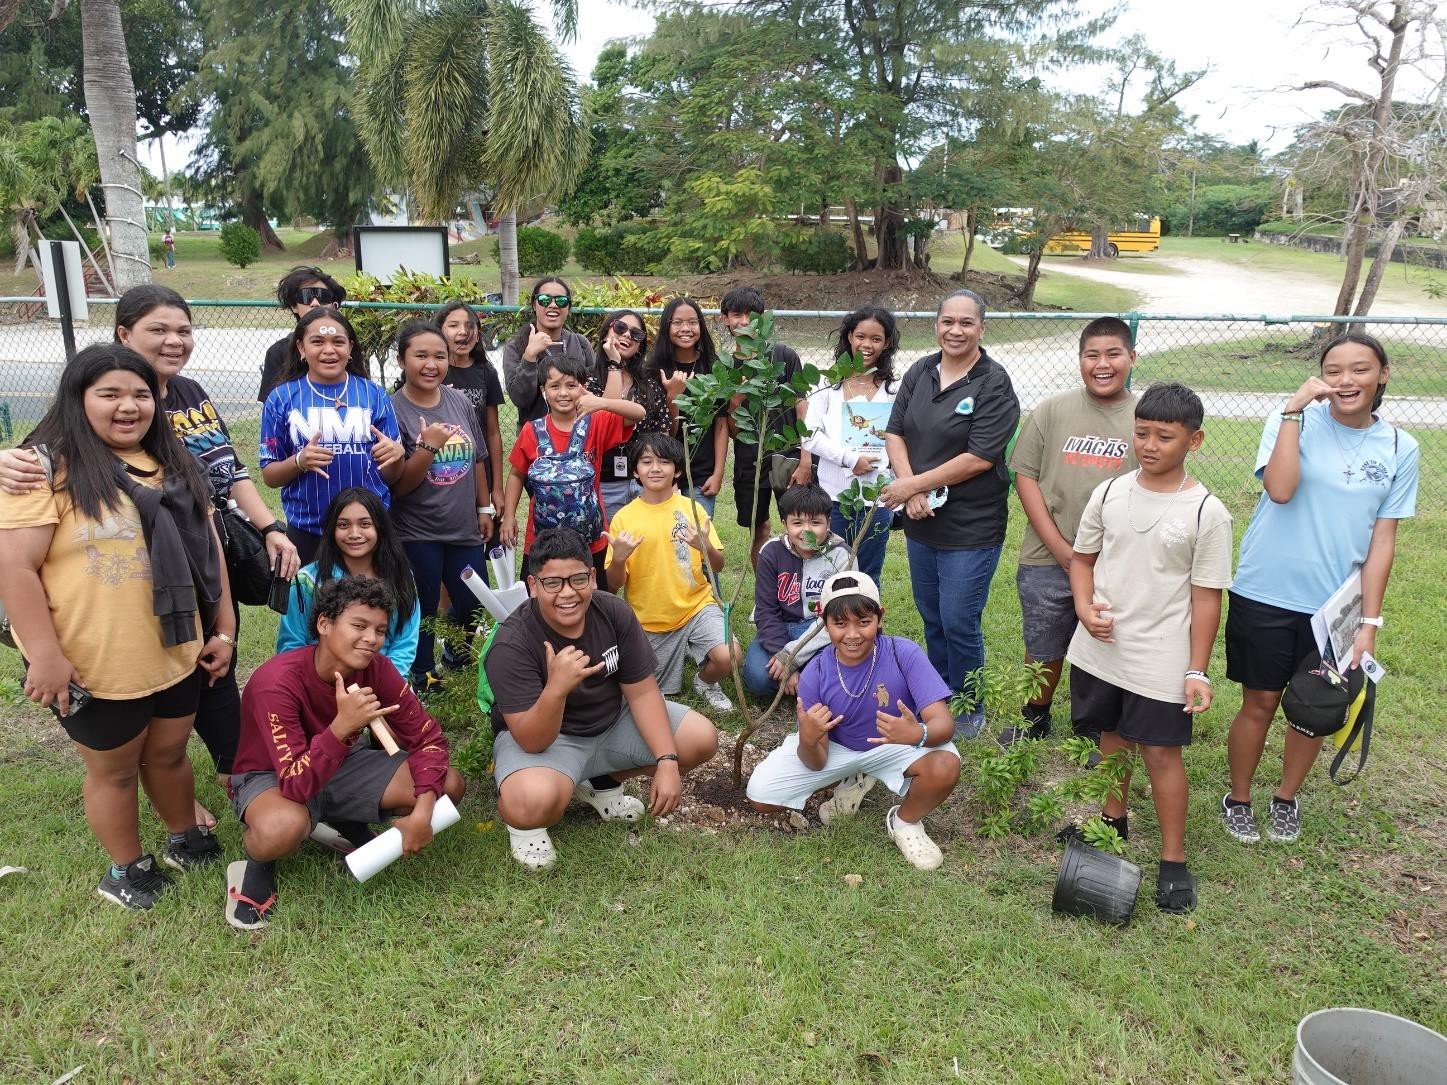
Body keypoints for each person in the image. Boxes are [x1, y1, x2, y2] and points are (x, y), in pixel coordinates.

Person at [0, 285, 301, 830]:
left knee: (182, 726)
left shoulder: (184, 412)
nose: (173, 341)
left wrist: (268, 532)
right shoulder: (58, 451)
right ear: (123, 335)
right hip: (106, 632)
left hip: (189, 606)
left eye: (183, 329)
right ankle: (151, 828)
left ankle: (192, 801)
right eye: (158, 329)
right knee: (123, 745)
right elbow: (20, 542)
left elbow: (225, 487)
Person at [0, 344, 233, 910]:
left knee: (172, 753)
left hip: (176, 648)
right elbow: (15, 567)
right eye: (109, 394)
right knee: (116, 772)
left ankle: (183, 834)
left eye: (140, 394)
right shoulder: (45, 471)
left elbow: (211, 550)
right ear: (78, 401)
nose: (128, 406)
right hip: (97, 662)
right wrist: (46, 658)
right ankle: (125, 869)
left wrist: (223, 626)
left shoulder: (176, 463)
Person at [1222, 333, 1418, 845]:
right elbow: (1281, 490)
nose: (1346, 380)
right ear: (1321, 377)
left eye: (1359, 369)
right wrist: (1292, 412)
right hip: (1266, 590)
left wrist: (1368, 624)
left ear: (1383, 375)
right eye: (1334, 370)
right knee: (1259, 702)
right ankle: (1238, 797)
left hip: (1335, 608)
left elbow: (1383, 542)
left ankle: (1285, 797)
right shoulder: (1293, 421)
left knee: (1314, 707)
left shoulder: (1400, 446)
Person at [1066, 382, 1233, 914]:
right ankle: (1113, 820)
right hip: (1103, 646)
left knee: (1162, 753)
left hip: (1161, 656)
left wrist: (1197, 670)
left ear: (1195, 440)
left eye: (1165, 436)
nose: (1150, 445)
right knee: (1111, 738)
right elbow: (1082, 559)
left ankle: (1173, 859)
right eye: (1142, 433)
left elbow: (1207, 600)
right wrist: (1083, 607)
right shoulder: (1110, 493)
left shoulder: (1208, 512)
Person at [226, 575, 466, 930]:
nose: (371, 639)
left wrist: (423, 811)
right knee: (282, 827)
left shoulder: (376, 670)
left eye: (380, 630)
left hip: (341, 763)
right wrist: (341, 727)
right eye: (359, 625)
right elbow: (295, 783)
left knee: (448, 783)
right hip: (273, 776)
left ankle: (341, 818)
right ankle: (257, 864)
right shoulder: (274, 684)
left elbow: (428, 738)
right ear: (324, 623)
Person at [482, 529, 720, 869]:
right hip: (544, 740)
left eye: (578, 579)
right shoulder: (511, 643)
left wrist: (667, 761)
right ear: (533, 586)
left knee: (699, 738)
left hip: (611, 722)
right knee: (531, 803)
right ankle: (525, 828)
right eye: (553, 583)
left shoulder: (613, 612)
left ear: (593, 578)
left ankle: (601, 782)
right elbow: (532, 739)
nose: (567, 593)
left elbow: (642, 691)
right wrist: (556, 689)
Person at [745, 572, 960, 869]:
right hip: (838, 747)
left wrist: (917, 733)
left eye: (863, 622)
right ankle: (854, 777)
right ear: (824, 623)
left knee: (945, 765)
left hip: (894, 743)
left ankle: (905, 822)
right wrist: (808, 738)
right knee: (761, 793)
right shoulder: (816, 673)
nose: (853, 634)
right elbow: (816, 760)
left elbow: (944, 725)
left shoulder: (904, 654)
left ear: (880, 617)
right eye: (840, 624)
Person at [881, 289, 1021, 738]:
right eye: (947, 321)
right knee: (932, 615)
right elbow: (895, 432)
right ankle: (938, 692)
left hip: (971, 526)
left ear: (982, 327)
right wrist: (911, 488)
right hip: (923, 518)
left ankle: (969, 704)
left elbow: (979, 457)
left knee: (960, 618)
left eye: (966, 323)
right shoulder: (921, 371)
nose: (955, 331)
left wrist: (914, 485)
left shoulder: (993, 383)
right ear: (935, 324)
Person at [999, 316, 1138, 749]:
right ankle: (1034, 715)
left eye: (1113, 354)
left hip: (1116, 560)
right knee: (1043, 640)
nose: (1102, 363)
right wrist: (1062, 549)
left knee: (1101, 642)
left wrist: (1093, 559)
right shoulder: (1052, 410)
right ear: (1079, 360)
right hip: (1048, 554)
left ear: (1132, 358)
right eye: (1092, 355)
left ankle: (1091, 725)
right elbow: (1026, 477)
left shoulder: (1143, 417)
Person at [386, 321, 493, 690]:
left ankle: (457, 654)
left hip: (463, 526)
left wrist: (485, 509)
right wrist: (427, 446)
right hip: (417, 530)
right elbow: (400, 484)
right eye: (421, 356)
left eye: (439, 356)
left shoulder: (459, 401)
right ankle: (422, 672)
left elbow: (478, 457)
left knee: (472, 601)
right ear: (401, 360)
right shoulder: (392, 410)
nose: (431, 364)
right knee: (423, 605)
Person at [259, 306, 405, 565]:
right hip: (309, 528)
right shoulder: (281, 398)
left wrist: (396, 456)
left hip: (368, 528)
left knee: (371, 602)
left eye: (338, 342)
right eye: (317, 341)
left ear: (350, 348)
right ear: (301, 349)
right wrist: (299, 462)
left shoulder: (374, 394)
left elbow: (392, 475)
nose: (329, 350)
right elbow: (269, 476)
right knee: (315, 604)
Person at [606, 432, 734, 713]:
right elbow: (614, 584)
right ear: (636, 471)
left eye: (663, 462)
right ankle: (682, 652)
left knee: (729, 656)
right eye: (646, 462)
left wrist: (705, 547)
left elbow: (718, 565)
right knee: (645, 696)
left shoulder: (692, 508)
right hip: (649, 619)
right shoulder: (624, 518)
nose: (655, 468)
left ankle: (705, 681)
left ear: (677, 470)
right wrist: (619, 559)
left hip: (696, 606)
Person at [499, 354, 645, 583]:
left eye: (571, 385)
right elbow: (517, 474)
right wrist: (509, 516)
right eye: (554, 386)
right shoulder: (532, 430)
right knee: (539, 592)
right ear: (543, 391)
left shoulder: (596, 422)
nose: (563, 393)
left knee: (594, 590)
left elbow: (639, 413)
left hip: (591, 535)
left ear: (583, 388)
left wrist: (602, 402)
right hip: (540, 536)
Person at [800, 307, 900, 585]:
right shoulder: (826, 384)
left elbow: (901, 438)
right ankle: (830, 627)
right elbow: (808, 435)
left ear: (887, 343)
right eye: (860, 336)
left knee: (869, 573)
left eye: (876, 339)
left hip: (876, 498)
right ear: (848, 337)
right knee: (831, 570)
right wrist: (849, 459)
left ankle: (870, 627)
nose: (867, 345)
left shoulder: (894, 390)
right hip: (833, 496)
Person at [277, 487, 420, 678]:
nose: (354, 533)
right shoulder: (306, 581)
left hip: (384, 680)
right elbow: (291, 645)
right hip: (322, 682)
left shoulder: (401, 576)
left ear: (380, 528)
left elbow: (405, 643)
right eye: (343, 525)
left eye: (365, 524)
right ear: (331, 530)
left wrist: (384, 685)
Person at [717, 287, 813, 570]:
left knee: (799, 526)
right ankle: (766, 595)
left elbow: (802, 407)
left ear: (763, 319)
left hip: (788, 456)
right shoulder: (725, 365)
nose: (744, 321)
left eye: (751, 315)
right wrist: (735, 400)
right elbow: (733, 430)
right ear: (725, 319)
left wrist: (806, 459)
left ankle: (798, 590)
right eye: (736, 315)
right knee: (758, 529)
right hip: (750, 459)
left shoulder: (783, 355)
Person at [741, 483, 852, 697]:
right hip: (780, 626)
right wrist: (781, 653)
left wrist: (791, 658)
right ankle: (803, 682)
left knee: (834, 671)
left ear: (828, 523)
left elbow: (840, 617)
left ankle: (808, 680)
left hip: (821, 628)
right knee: (757, 679)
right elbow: (766, 611)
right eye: (797, 522)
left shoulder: (841, 555)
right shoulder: (771, 552)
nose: (806, 531)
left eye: (816, 522)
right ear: (785, 524)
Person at [649, 297, 728, 516]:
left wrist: (718, 474)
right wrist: (673, 397)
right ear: (667, 326)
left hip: (701, 475)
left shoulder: (714, 366)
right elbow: (665, 433)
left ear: (701, 326)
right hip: (662, 471)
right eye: (677, 322)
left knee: (697, 539)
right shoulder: (654, 369)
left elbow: (721, 424)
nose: (686, 328)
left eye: (692, 322)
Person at [588, 309, 669, 518]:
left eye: (636, 334)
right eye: (620, 328)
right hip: (604, 481)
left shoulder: (649, 385)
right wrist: (614, 364)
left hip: (644, 481)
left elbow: (663, 435)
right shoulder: (588, 380)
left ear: (640, 345)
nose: (626, 335)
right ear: (606, 332)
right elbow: (606, 420)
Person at [436, 301, 505, 516]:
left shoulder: (486, 373)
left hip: (480, 470)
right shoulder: (433, 372)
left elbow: (492, 432)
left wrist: (497, 487)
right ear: (439, 331)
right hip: (445, 468)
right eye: (454, 325)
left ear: (477, 334)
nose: (463, 332)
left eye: (469, 325)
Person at [501, 277, 594, 430]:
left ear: (568, 307)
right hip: (535, 438)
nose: (553, 305)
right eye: (544, 300)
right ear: (534, 305)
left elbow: (592, 390)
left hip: (578, 434)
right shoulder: (517, 347)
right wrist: (530, 356)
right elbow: (521, 399)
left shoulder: (580, 343)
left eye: (561, 301)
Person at [257, 266, 348, 402]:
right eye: (306, 297)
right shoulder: (278, 352)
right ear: (294, 305)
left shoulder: (345, 348)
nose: (315, 303)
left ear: (333, 305)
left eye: (323, 296)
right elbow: (272, 407)